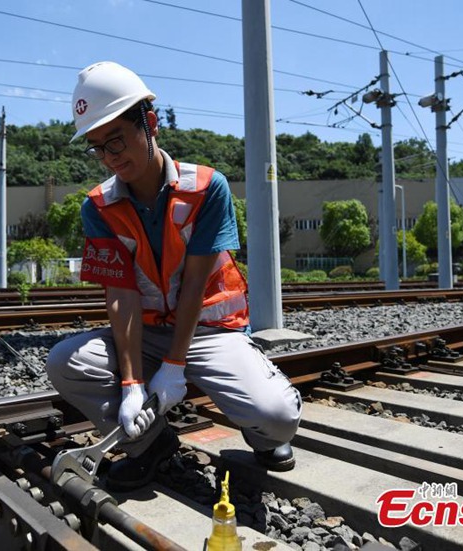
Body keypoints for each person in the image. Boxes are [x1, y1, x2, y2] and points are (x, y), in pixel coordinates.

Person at [46, 61, 302, 491]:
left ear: (149, 123)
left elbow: (195, 285)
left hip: (210, 331)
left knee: (276, 417)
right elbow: (121, 296)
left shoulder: (206, 188)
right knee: (66, 362)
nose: (111, 157)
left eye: (117, 140)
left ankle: (261, 434)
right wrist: (131, 385)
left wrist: (174, 366)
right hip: (146, 334)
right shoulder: (98, 208)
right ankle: (150, 443)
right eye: (98, 148)